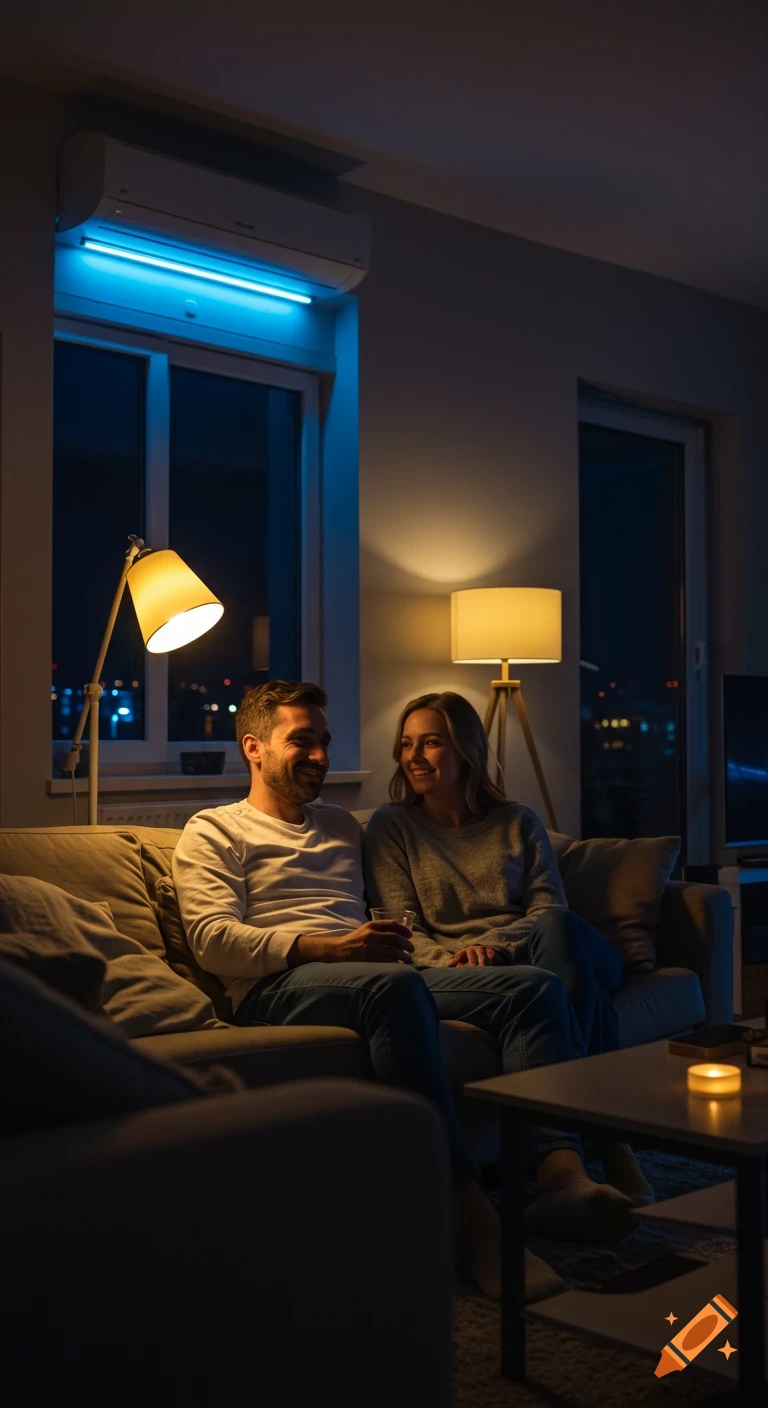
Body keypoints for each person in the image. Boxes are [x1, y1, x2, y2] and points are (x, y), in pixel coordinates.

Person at [173, 680, 633, 1303]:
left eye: (323, 743)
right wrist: (324, 946)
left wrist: (383, 946)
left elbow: (406, 908)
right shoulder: (213, 830)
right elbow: (211, 939)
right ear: (253, 748)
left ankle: (558, 1176)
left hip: (375, 970)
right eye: (299, 742)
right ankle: (468, 1219)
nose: (318, 756)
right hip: (278, 986)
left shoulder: (341, 825)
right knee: (390, 983)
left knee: (534, 989)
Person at [363, 689, 654, 1215]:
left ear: (466, 750)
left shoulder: (516, 820)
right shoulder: (392, 826)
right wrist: (457, 960)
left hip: (556, 947)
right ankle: (603, 1140)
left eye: (431, 743)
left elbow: (548, 908)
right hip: (480, 972)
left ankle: (591, 1142)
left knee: (562, 931)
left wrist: (493, 947)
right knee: (573, 1001)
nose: (414, 757)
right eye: (406, 744)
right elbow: (401, 924)